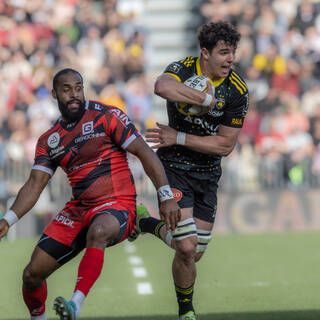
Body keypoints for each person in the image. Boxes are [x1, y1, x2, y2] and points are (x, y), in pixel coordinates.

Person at [0, 68, 181, 320]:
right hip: (79, 208)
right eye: (66, 89)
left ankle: (75, 304)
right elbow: (34, 184)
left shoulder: (107, 116)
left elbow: (145, 152)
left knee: (98, 231)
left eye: (78, 88)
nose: (74, 94)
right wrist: (8, 220)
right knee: (31, 275)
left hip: (117, 203)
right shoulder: (49, 139)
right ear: (54, 94)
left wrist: (166, 196)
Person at [129, 21, 249, 320]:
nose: (230, 59)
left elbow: (225, 146)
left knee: (193, 254)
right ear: (205, 53)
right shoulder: (183, 68)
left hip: (208, 174)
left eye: (232, 52)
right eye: (223, 53)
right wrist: (204, 99)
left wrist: (178, 136)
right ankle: (186, 311)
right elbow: (161, 86)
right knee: (185, 246)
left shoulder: (237, 91)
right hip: (174, 168)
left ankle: (144, 225)